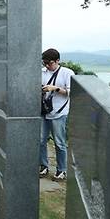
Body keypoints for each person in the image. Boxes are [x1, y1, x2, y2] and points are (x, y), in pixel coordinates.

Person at [39, 48, 75, 181]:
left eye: (50, 63)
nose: (47, 66)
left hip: (59, 112)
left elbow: (72, 92)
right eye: (45, 63)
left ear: (58, 61)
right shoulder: (42, 72)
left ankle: (62, 170)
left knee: (59, 143)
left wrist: (55, 88)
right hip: (44, 111)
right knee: (41, 140)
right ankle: (43, 165)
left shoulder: (67, 73)